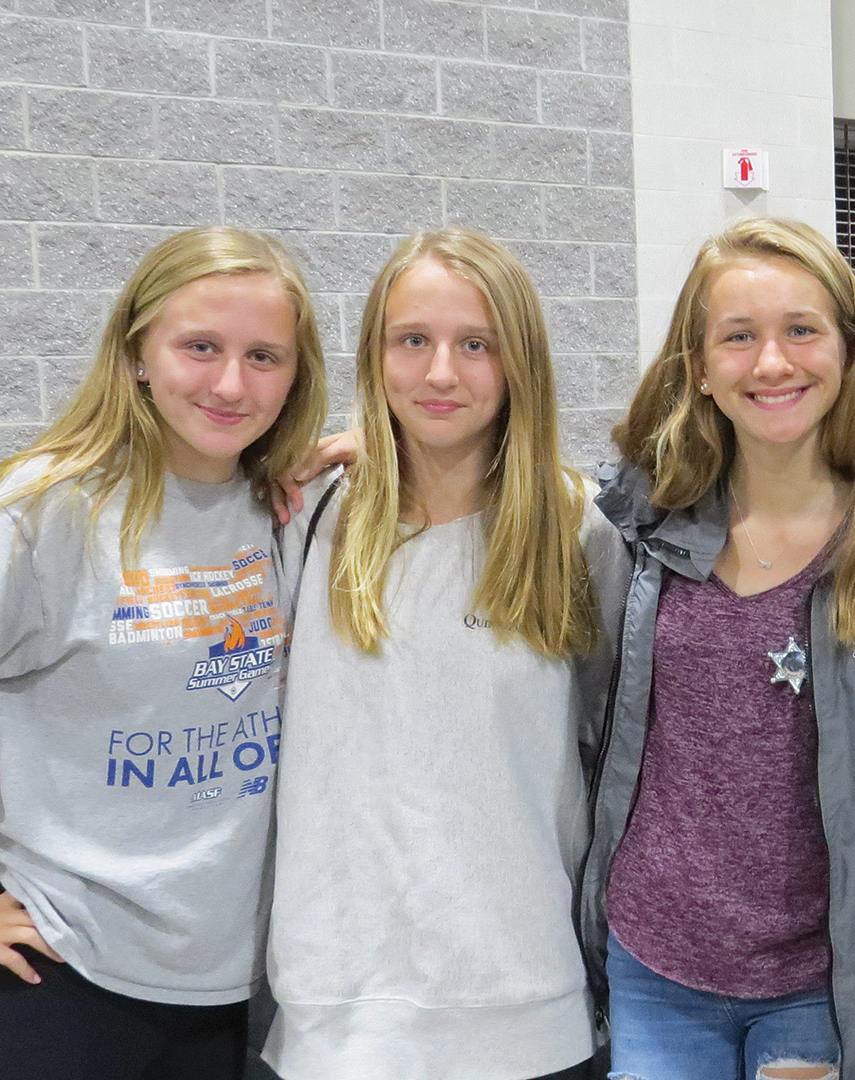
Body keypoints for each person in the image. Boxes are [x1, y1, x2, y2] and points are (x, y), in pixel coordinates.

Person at [0, 226, 327, 1079]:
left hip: (236, 991)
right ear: (138, 352)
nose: (230, 383)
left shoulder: (283, 506)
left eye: (263, 357)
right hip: (60, 988)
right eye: (200, 348)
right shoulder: (44, 511)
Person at [577, 216, 855, 1080]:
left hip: (816, 982)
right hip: (655, 963)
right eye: (739, 337)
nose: (772, 364)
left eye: (801, 331)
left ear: (848, 349)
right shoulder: (639, 524)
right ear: (698, 367)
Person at [262, 229, 626, 1080]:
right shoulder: (308, 515)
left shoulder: (574, 533)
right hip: (336, 1014)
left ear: (519, 364)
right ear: (375, 355)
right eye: (412, 340)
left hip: (528, 1007)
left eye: (476, 345)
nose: (440, 374)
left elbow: (619, 745)